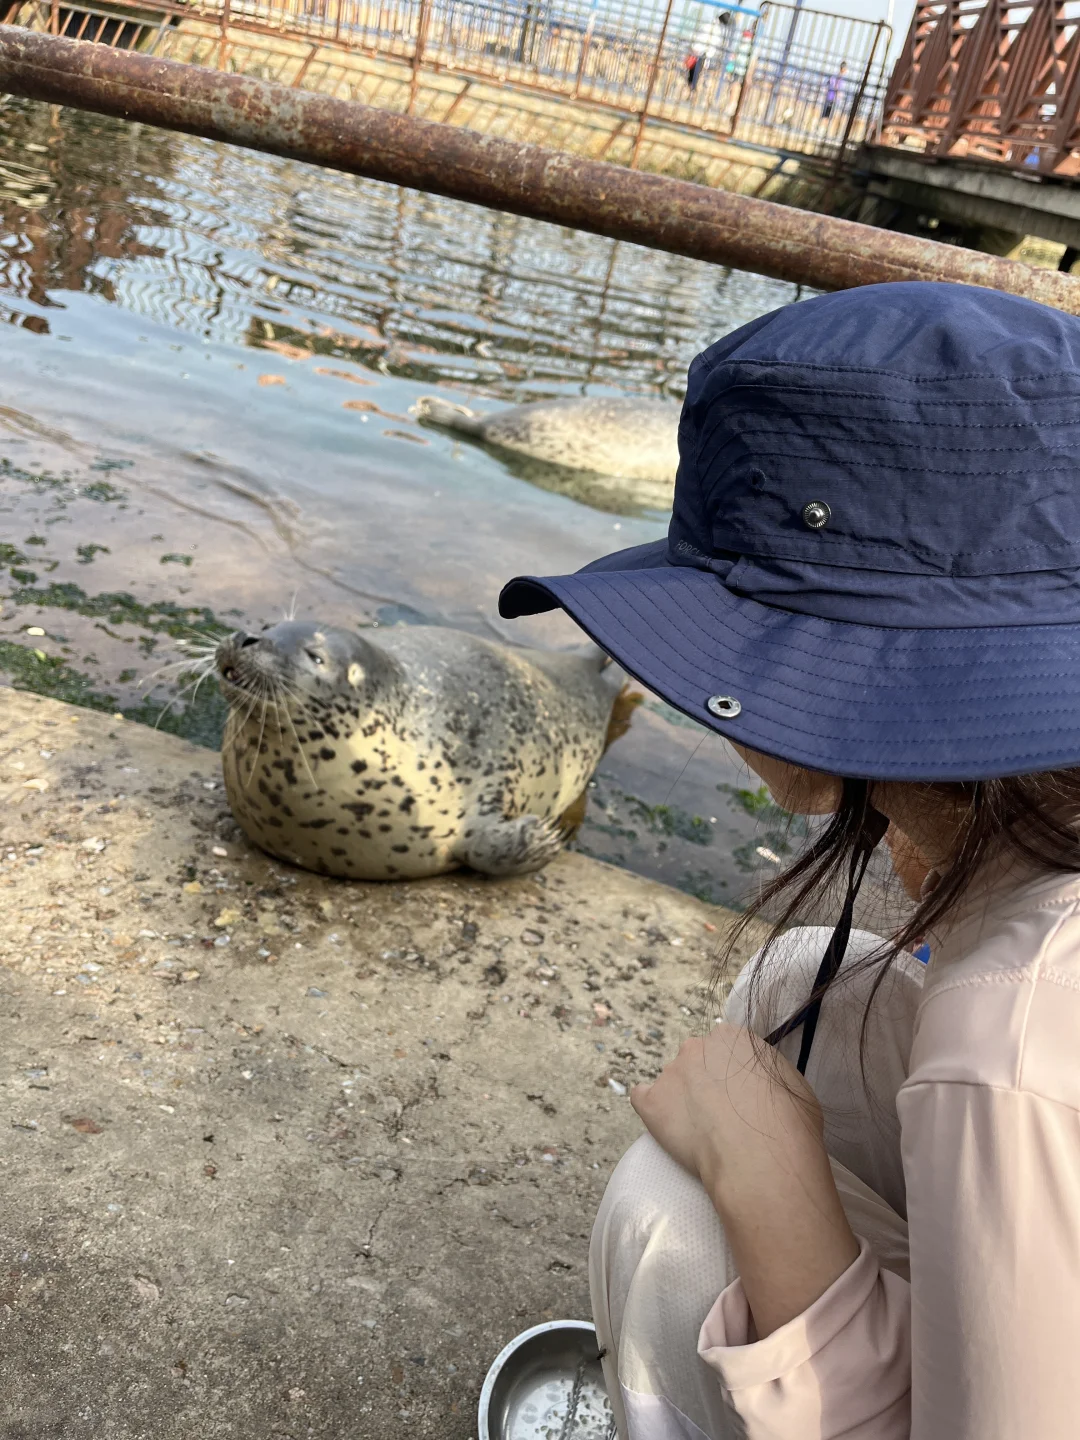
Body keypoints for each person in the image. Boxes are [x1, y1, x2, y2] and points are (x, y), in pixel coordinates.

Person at [499, 281, 1080, 1439]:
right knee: (803, 979)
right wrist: (956, 873)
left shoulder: (1013, 1033)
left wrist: (766, 1181)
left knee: (673, 1215)